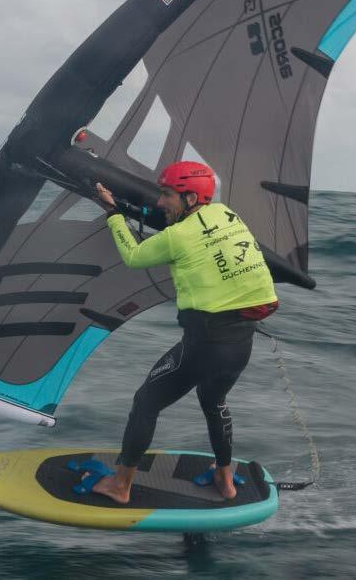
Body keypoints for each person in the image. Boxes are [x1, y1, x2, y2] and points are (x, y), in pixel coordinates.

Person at [92, 161, 278, 503]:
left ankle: (120, 486)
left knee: (145, 402)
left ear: (191, 198)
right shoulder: (226, 214)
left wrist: (113, 213)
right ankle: (225, 479)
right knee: (213, 401)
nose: (160, 202)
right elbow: (199, 239)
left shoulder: (176, 237)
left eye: (167, 195)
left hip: (205, 346)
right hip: (241, 344)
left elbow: (133, 256)